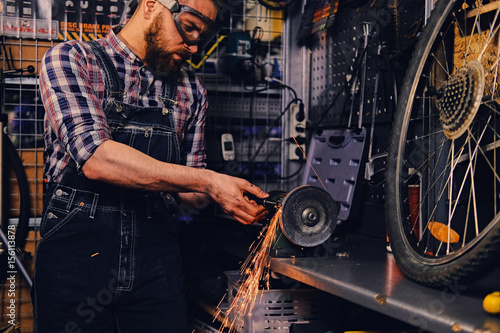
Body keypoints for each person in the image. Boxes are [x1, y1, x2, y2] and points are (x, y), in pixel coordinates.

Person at [32, 0, 269, 331]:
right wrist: (208, 182)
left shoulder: (191, 91)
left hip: (156, 264)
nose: (194, 46)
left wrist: (226, 195)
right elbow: (96, 159)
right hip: (76, 261)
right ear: (151, 5)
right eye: (188, 28)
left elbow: (193, 196)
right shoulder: (73, 59)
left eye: (204, 37)